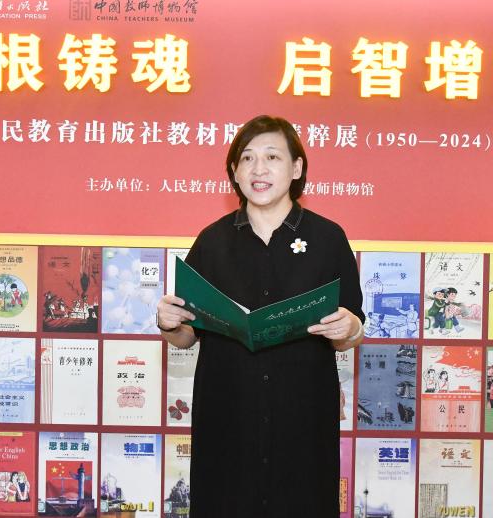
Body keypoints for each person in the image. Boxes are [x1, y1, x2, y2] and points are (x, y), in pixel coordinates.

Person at [155, 115, 365, 518]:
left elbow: (349, 333)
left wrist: (350, 327)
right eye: (247, 158)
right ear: (235, 171)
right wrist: (169, 323)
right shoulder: (212, 241)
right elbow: (187, 336)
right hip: (228, 416)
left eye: (272, 157)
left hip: (303, 419)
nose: (259, 169)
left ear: (296, 168)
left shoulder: (328, 238)